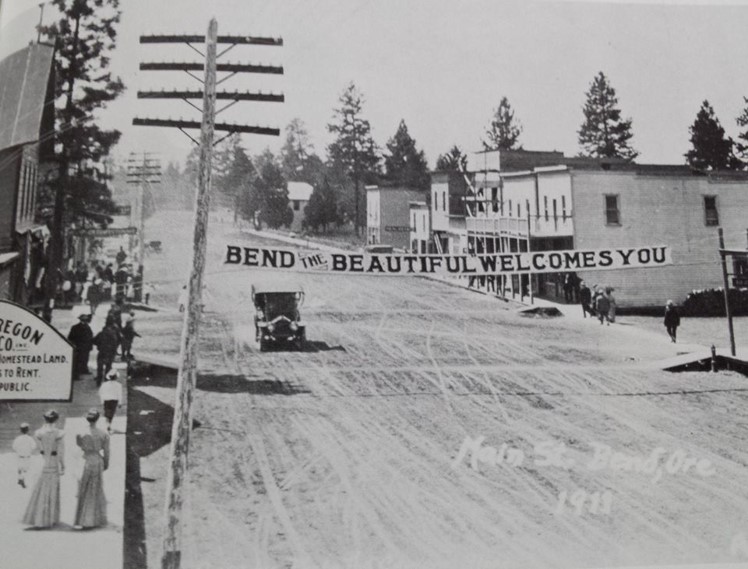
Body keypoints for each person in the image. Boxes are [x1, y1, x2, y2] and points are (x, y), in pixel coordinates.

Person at [22, 410, 65, 528]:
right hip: (53, 460)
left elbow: (37, 448)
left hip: (42, 460)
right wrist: (63, 465)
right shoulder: (60, 433)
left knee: (40, 488)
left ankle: (38, 517)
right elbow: (61, 451)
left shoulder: (38, 432)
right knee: (52, 488)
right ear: (56, 419)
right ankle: (50, 518)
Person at [74, 409, 109, 529]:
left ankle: (82, 518)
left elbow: (78, 444)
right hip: (97, 459)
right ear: (97, 419)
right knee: (95, 488)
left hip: (85, 459)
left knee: (83, 488)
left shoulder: (80, 433)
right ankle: (93, 518)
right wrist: (106, 463)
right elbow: (107, 451)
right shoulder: (103, 434)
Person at [93, 318, 120, 387]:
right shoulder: (113, 334)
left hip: (102, 352)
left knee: (100, 368)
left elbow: (94, 341)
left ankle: (98, 382)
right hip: (110, 353)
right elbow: (116, 343)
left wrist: (99, 345)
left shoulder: (101, 333)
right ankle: (106, 381)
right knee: (108, 367)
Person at [68, 313, 94, 379]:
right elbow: (71, 337)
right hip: (81, 347)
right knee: (79, 360)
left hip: (82, 347)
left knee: (83, 359)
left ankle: (83, 370)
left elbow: (70, 337)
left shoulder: (76, 327)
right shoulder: (83, 327)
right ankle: (77, 375)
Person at [12, 423, 37, 488]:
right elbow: (34, 447)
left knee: (20, 468)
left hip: (20, 456)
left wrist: (18, 450)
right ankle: (22, 479)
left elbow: (14, 447)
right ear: (27, 430)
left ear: (20, 430)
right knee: (25, 469)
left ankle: (20, 478)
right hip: (27, 456)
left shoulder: (18, 438)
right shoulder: (30, 439)